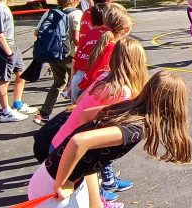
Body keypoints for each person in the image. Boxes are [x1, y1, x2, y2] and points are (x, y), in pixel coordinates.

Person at [27, 71, 192, 208]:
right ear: (173, 106)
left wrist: (91, 194)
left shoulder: (127, 107)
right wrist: (61, 183)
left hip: (59, 177)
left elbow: (85, 116)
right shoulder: (134, 129)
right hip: (51, 186)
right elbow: (79, 141)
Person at [53, 37, 148, 203]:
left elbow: (80, 98)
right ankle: (103, 193)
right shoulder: (122, 92)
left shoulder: (105, 76)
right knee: (81, 194)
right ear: (139, 63)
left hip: (61, 141)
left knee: (90, 183)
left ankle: (102, 194)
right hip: (69, 150)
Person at [33, 0, 83, 125]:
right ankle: (77, 116)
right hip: (70, 55)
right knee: (79, 84)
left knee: (59, 82)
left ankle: (43, 113)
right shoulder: (76, 13)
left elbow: (37, 32)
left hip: (53, 54)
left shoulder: (50, 12)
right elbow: (77, 37)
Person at [0, 0, 38, 122]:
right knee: (4, 80)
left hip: (12, 47)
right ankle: (6, 112)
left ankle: (17, 104)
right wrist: (9, 52)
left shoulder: (4, 7)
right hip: (4, 49)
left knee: (22, 74)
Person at [76, 4, 133, 98]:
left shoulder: (103, 42)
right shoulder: (113, 48)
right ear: (126, 30)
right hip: (93, 91)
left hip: (87, 88)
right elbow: (101, 73)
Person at [69, 4, 108, 104]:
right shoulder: (108, 35)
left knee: (75, 113)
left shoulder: (88, 34)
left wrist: (71, 83)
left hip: (78, 79)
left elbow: (75, 61)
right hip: (96, 80)